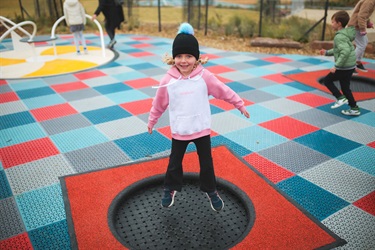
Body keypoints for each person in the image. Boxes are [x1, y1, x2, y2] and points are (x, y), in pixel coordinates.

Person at [147, 23, 250, 212]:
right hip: (180, 130)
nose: (183, 61)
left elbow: (223, 91)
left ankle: (211, 190)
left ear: (197, 58)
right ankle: (170, 189)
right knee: (174, 162)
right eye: (179, 56)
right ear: (173, 57)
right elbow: (159, 103)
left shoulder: (205, 76)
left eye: (188, 56)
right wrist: (152, 120)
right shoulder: (168, 80)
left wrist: (239, 104)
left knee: (206, 163)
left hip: (201, 128)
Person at [320, 11, 360, 116]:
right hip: (350, 66)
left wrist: (336, 66)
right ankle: (354, 108)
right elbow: (339, 49)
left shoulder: (339, 36)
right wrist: (327, 52)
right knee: (345, 88)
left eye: (333, 22)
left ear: (339, 24)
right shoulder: (346, 33)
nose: (331, 24)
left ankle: (340, 98)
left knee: (327, 80)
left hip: (344, 66)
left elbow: (345, 52)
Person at [347, 0, 375, 72]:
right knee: (361, 45)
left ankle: (358, 62)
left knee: (364, 42)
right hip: (355, 26)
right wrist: (363, 28)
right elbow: (361, 16)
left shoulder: (370, 2)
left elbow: (365, 14)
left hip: (357, 25)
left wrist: (368, 23)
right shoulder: (369, 2)